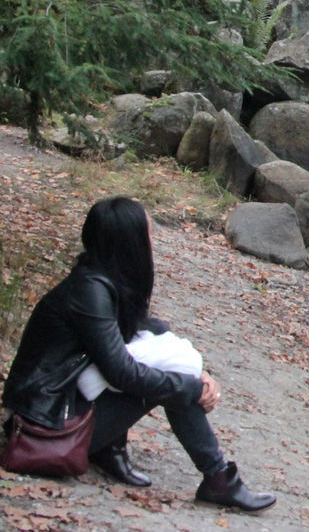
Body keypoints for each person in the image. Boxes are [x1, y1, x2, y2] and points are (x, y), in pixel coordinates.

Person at [2, 197, 275, 512]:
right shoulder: (89, 291)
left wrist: (202, 373)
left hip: (57, 409)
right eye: (146, 234)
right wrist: (191, 388)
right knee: (171, 386)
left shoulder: (99, 279)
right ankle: (218, 479)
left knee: (169, 371)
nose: (151, 241)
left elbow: (153, 329)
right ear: (128, 243)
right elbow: (122, 372)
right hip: (44, 428)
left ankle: (113, 450)